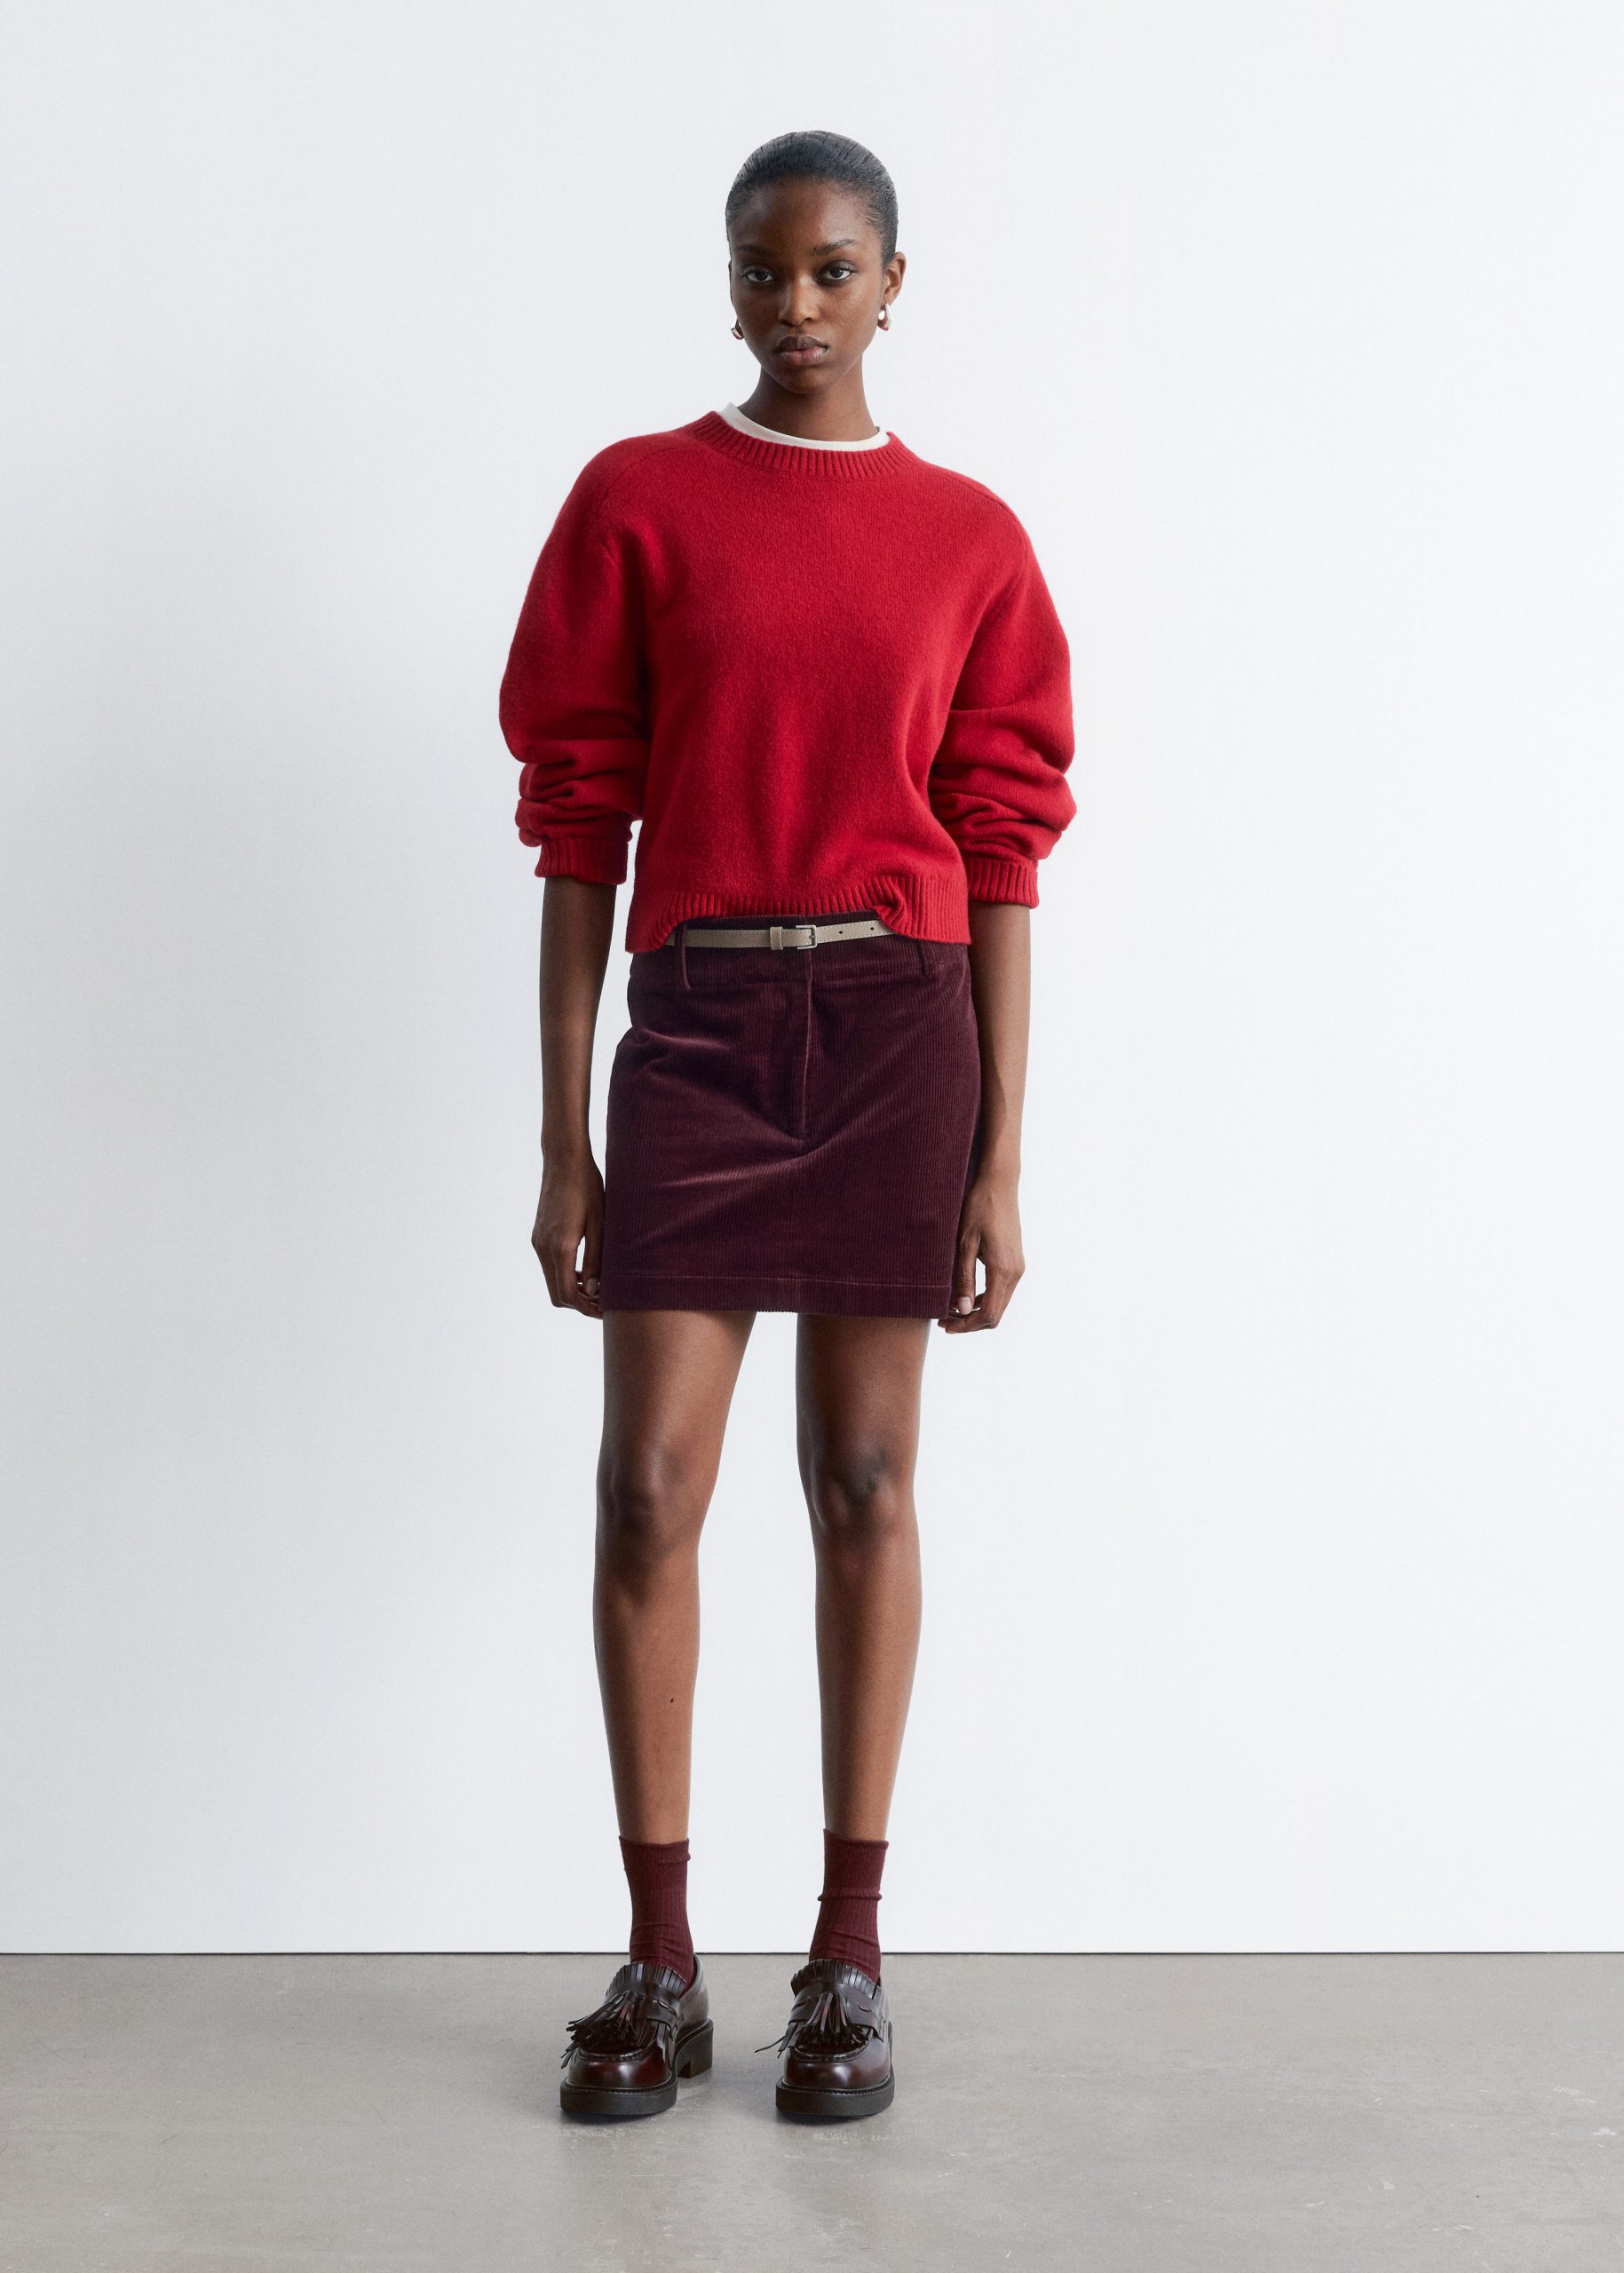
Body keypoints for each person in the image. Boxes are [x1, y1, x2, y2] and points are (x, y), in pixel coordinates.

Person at [498, 129, 1077, 2124]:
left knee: (864, 1480)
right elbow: (579, 819)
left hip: (900, 1028)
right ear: (729, 280)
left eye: (835, 270)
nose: (798, 304)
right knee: (647, 1489)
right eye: (766, 269)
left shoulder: (971, 538)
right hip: (702, 1026)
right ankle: (660, 1964)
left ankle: (849, 1958)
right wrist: (563, 1133)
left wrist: (1001, 1153)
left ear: (895, 283)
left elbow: (1004, 849)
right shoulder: (638, 501)